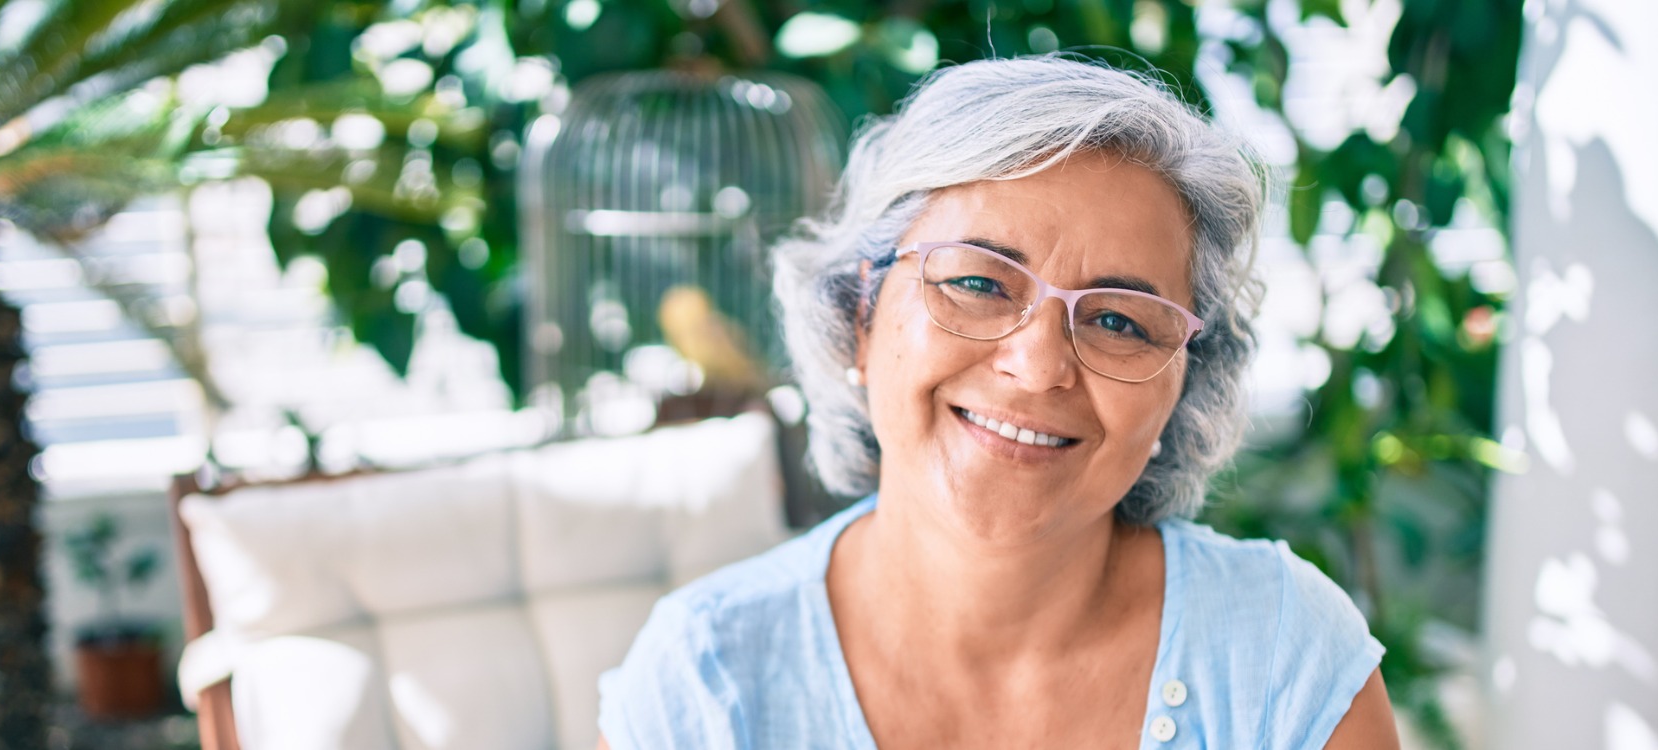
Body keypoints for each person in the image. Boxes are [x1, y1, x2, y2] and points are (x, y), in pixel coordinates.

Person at [596, 55, 1398, 749]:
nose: (1038, 365)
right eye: (977, 281)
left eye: (1119, 320)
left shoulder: (1285, 656)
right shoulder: (704, 679)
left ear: (1184, 385)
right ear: (860, 317)